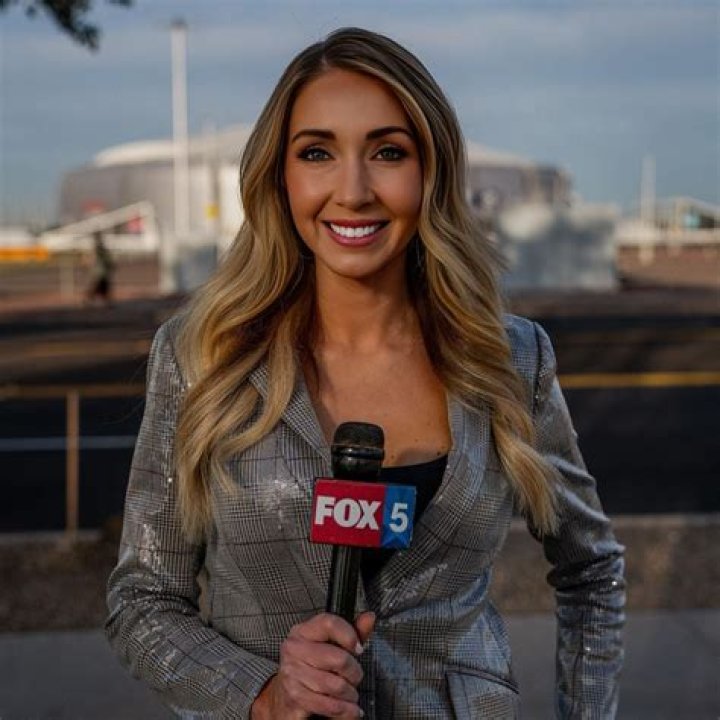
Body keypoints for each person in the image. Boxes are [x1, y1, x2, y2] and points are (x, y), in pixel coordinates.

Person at [106, 27, 625, 719]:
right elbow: (144, 600)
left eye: (387, 152)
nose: (352, 191)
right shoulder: (202, 356)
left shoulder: (513, 358)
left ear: (430, 171)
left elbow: (592, 570)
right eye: (317, 153)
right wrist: (261, 694)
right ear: (280, 175)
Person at [85, 230, 115, 305]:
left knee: (102, 287)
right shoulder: (97, 249)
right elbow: (91, 260)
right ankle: (89, 301)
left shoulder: (100, 249)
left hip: (101, 272)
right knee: (97, 286)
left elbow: (107, 260)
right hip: (99, 272)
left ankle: (105, 301)